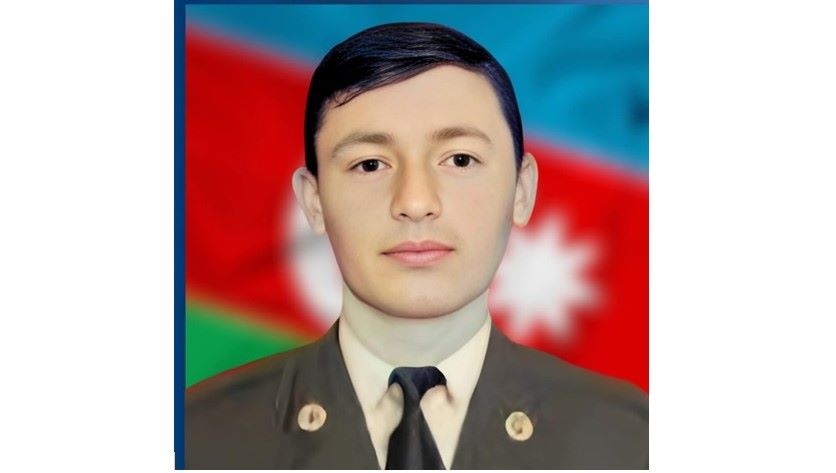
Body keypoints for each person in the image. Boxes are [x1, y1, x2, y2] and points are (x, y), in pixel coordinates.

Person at [186, 22, 647, 469]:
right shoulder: (196, 439)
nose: (415, 202)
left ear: (522, 190)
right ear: (314, 201)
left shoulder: (635, 442)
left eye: (460, 159)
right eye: (370, 164)